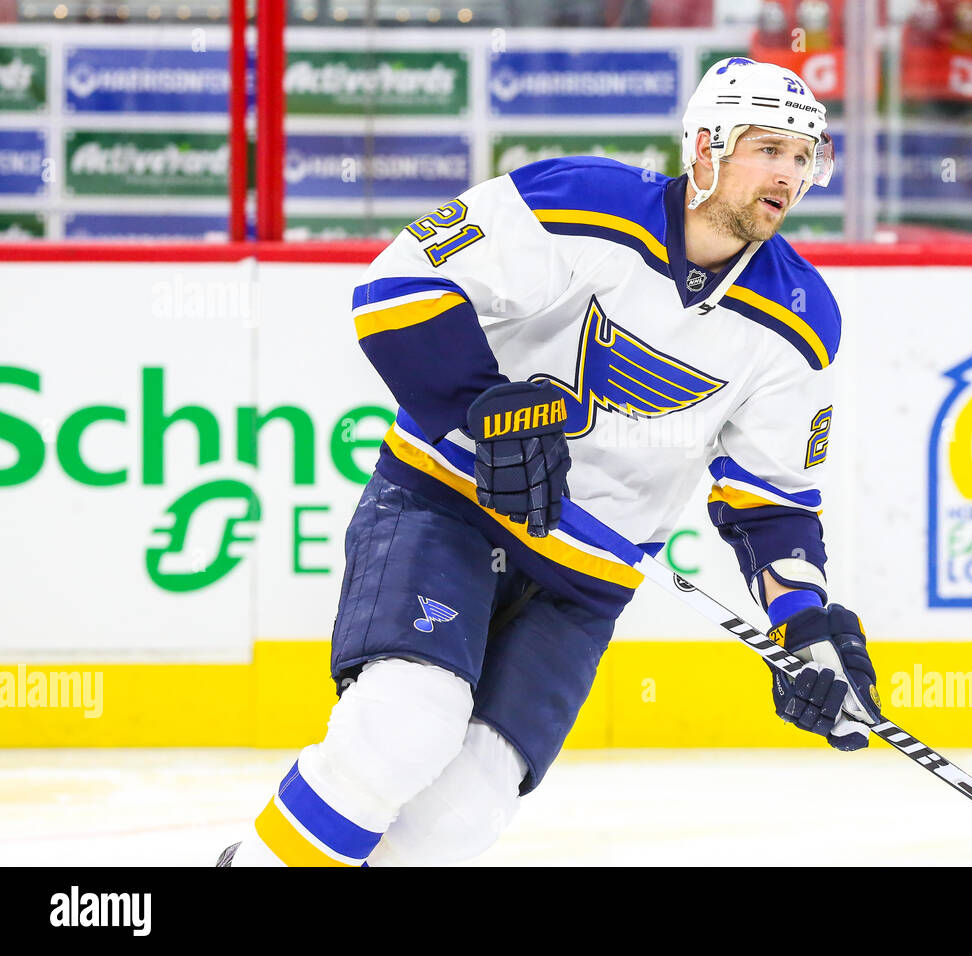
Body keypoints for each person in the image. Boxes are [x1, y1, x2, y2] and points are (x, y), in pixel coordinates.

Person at [218, 57, 877, 867]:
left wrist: (805, 632)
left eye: (805, 157)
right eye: (769, 148)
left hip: (582, 584)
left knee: (461, 814)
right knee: (404, 724)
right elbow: (398, 285)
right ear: (706, 147)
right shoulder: (580, 202)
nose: (789, 174)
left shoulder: (802, 321)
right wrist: (480, 405)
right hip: (450, 504)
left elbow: (771, 501)